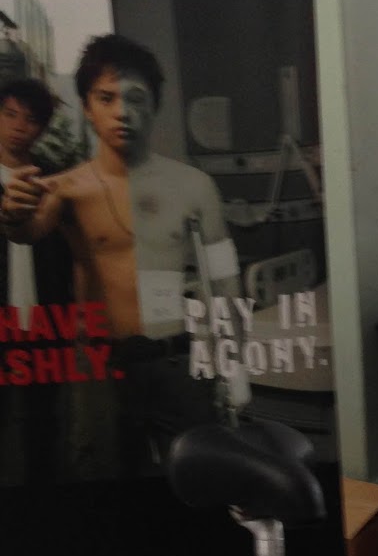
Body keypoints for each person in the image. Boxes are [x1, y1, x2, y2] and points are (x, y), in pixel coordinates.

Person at [1, 34, 242, 464]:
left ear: (154, 106)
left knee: (195, 480)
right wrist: (13, 213)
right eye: (106, 98)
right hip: (99, 365)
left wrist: (234, 368)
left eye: (135, 98)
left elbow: (224, 283)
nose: (122, 112)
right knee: (103, 486)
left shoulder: (194, 186)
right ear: (87, 107)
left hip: (176, 358)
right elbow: (28, 233)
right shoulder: (66, 188)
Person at [0, 77, 74, 484]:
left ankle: (42, 496)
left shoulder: (54, 181)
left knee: (43, 420)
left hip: (44, 319)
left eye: (30, 119)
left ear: (42, 127)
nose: (18, 126)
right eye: (9, 114)